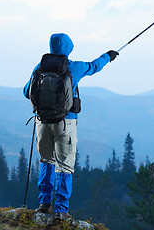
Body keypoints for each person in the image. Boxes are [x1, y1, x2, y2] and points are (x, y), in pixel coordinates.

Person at [23, 33, 118, 220]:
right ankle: (61, 210)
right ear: (69, 48)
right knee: (64, 166)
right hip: (66, 123)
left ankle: (43, 204)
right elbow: (94, 66)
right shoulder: (73, 67)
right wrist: (108, 56)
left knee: (46, 161)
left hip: (42, 122)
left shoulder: (39, 67)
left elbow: (27, 92)